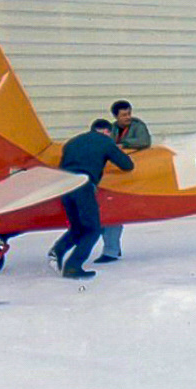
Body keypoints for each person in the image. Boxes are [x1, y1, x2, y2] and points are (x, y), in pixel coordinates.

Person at [48, 118, 134, 279]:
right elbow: (127, 165)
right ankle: (73, 267)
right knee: (93, 229)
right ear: (108, 132)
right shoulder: (105, 142)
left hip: (64, 186)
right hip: (83, 186)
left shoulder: (72, 142)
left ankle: (57, 252)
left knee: (77, 228)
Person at [96, 100, 152, 263]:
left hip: (132, 174)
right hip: (115, 175)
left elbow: (143, 141)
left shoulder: (138, 126)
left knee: (114, 214)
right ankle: (112, 249)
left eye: (129, 113)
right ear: (116, 117)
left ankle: (111, 251)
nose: (128, 117)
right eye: (124, 115)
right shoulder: (111, 128)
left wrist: (123, 144)